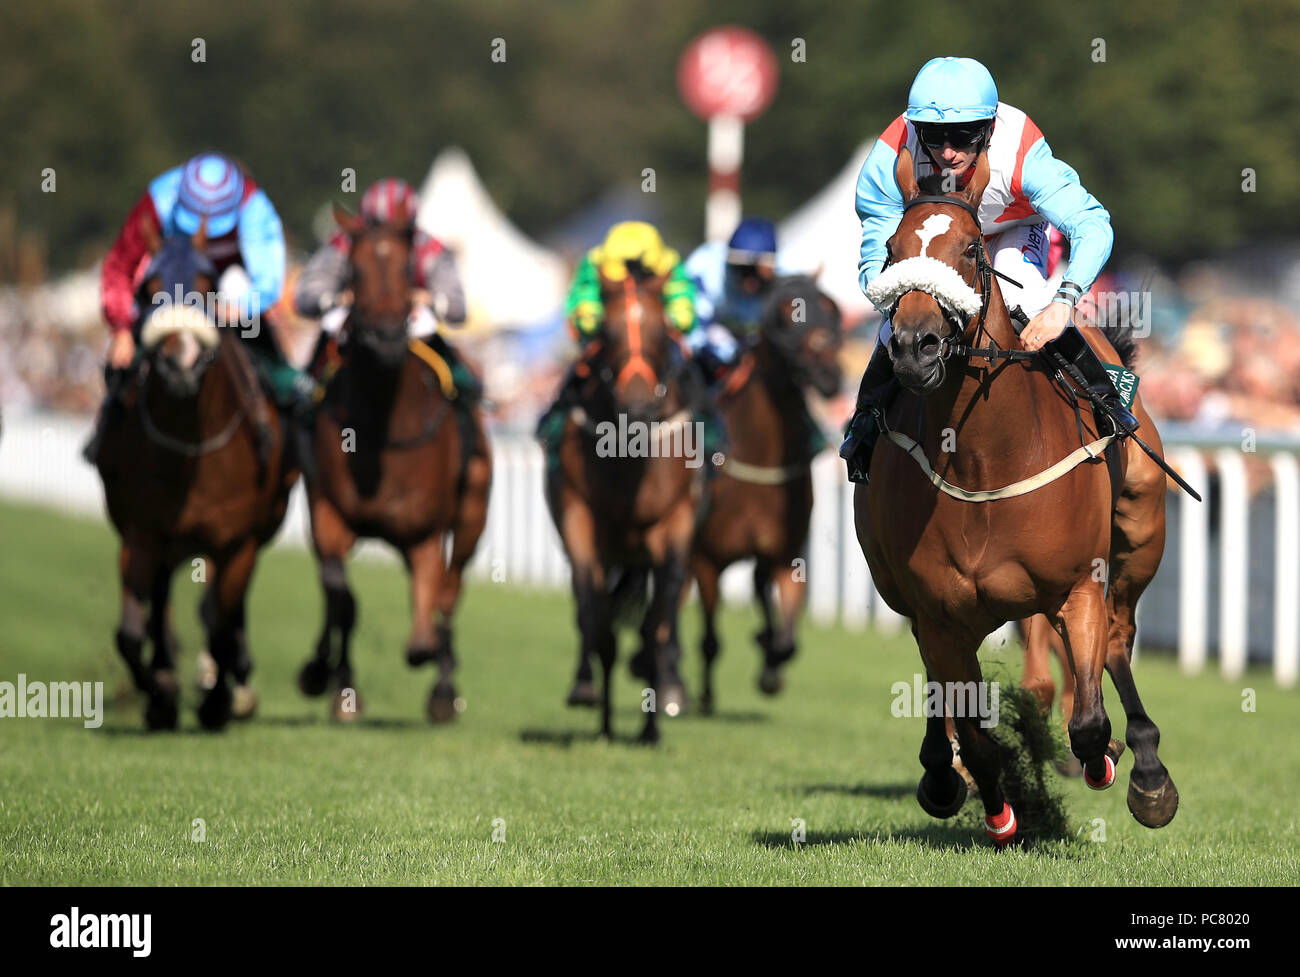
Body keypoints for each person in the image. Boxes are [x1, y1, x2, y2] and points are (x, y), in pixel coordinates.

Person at [839, 56, 1137, 483]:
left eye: (963, 136)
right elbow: (875, 264)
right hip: (940, 241)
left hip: (1015, 230)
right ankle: (866, 420)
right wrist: (902, 294)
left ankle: (1106, 402)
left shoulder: (1022, 152)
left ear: (990, 128)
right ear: (914, 127)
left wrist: (1063, 302)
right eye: (933, 137)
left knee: (1022, 301)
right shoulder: (887, 161)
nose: (947, 152)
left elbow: (1093, 224)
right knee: (902, 321)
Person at [86, 152, 302, 462]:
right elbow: (119, 266)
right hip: (168, 286)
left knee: (273, 360)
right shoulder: (159, 199)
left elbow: (268, 281)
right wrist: (121, 327)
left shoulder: (254, 207)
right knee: (121, 362)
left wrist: (235, 308)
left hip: (225, 290)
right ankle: (107, 430)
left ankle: (287, 423)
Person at [536, 221, 715, 450]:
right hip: (609, 341)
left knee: (693, 379)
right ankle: (553, 428)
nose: (634, 274)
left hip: (659, 343)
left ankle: (711, 444)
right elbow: (583, 300)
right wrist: (591, 319)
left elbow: (684, 305)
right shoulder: (594, 264)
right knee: (576, 378)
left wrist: (676, 318)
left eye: (640, 269)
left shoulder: (669, 264)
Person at [295, 177, 479, 400]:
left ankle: (468, 403)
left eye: (400, 233)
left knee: (462, 384)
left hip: (415, 329)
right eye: (376, 229)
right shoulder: (344, 244)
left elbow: (458, 309)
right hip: (356, 325)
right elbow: (307, 296)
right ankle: (305, 401)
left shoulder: (431, 249)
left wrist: (428, 299)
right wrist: (337, 299)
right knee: (306, 388)